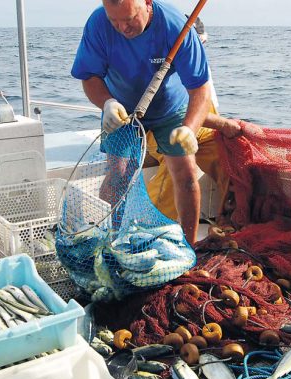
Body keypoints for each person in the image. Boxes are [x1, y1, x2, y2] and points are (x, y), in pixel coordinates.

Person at [71, 0, 241, 245]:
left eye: (129, 20)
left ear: (147, 3)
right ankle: (113, 241)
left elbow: (200, 90)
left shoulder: (175, 26)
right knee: (117, 173)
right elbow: (89, 77)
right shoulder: (98, 23)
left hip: (169, 108)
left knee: (185, 174)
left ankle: (188, 247)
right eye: (115, 21)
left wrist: (190, 130)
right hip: (121, 108)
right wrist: (106, 102)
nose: (122, 28)